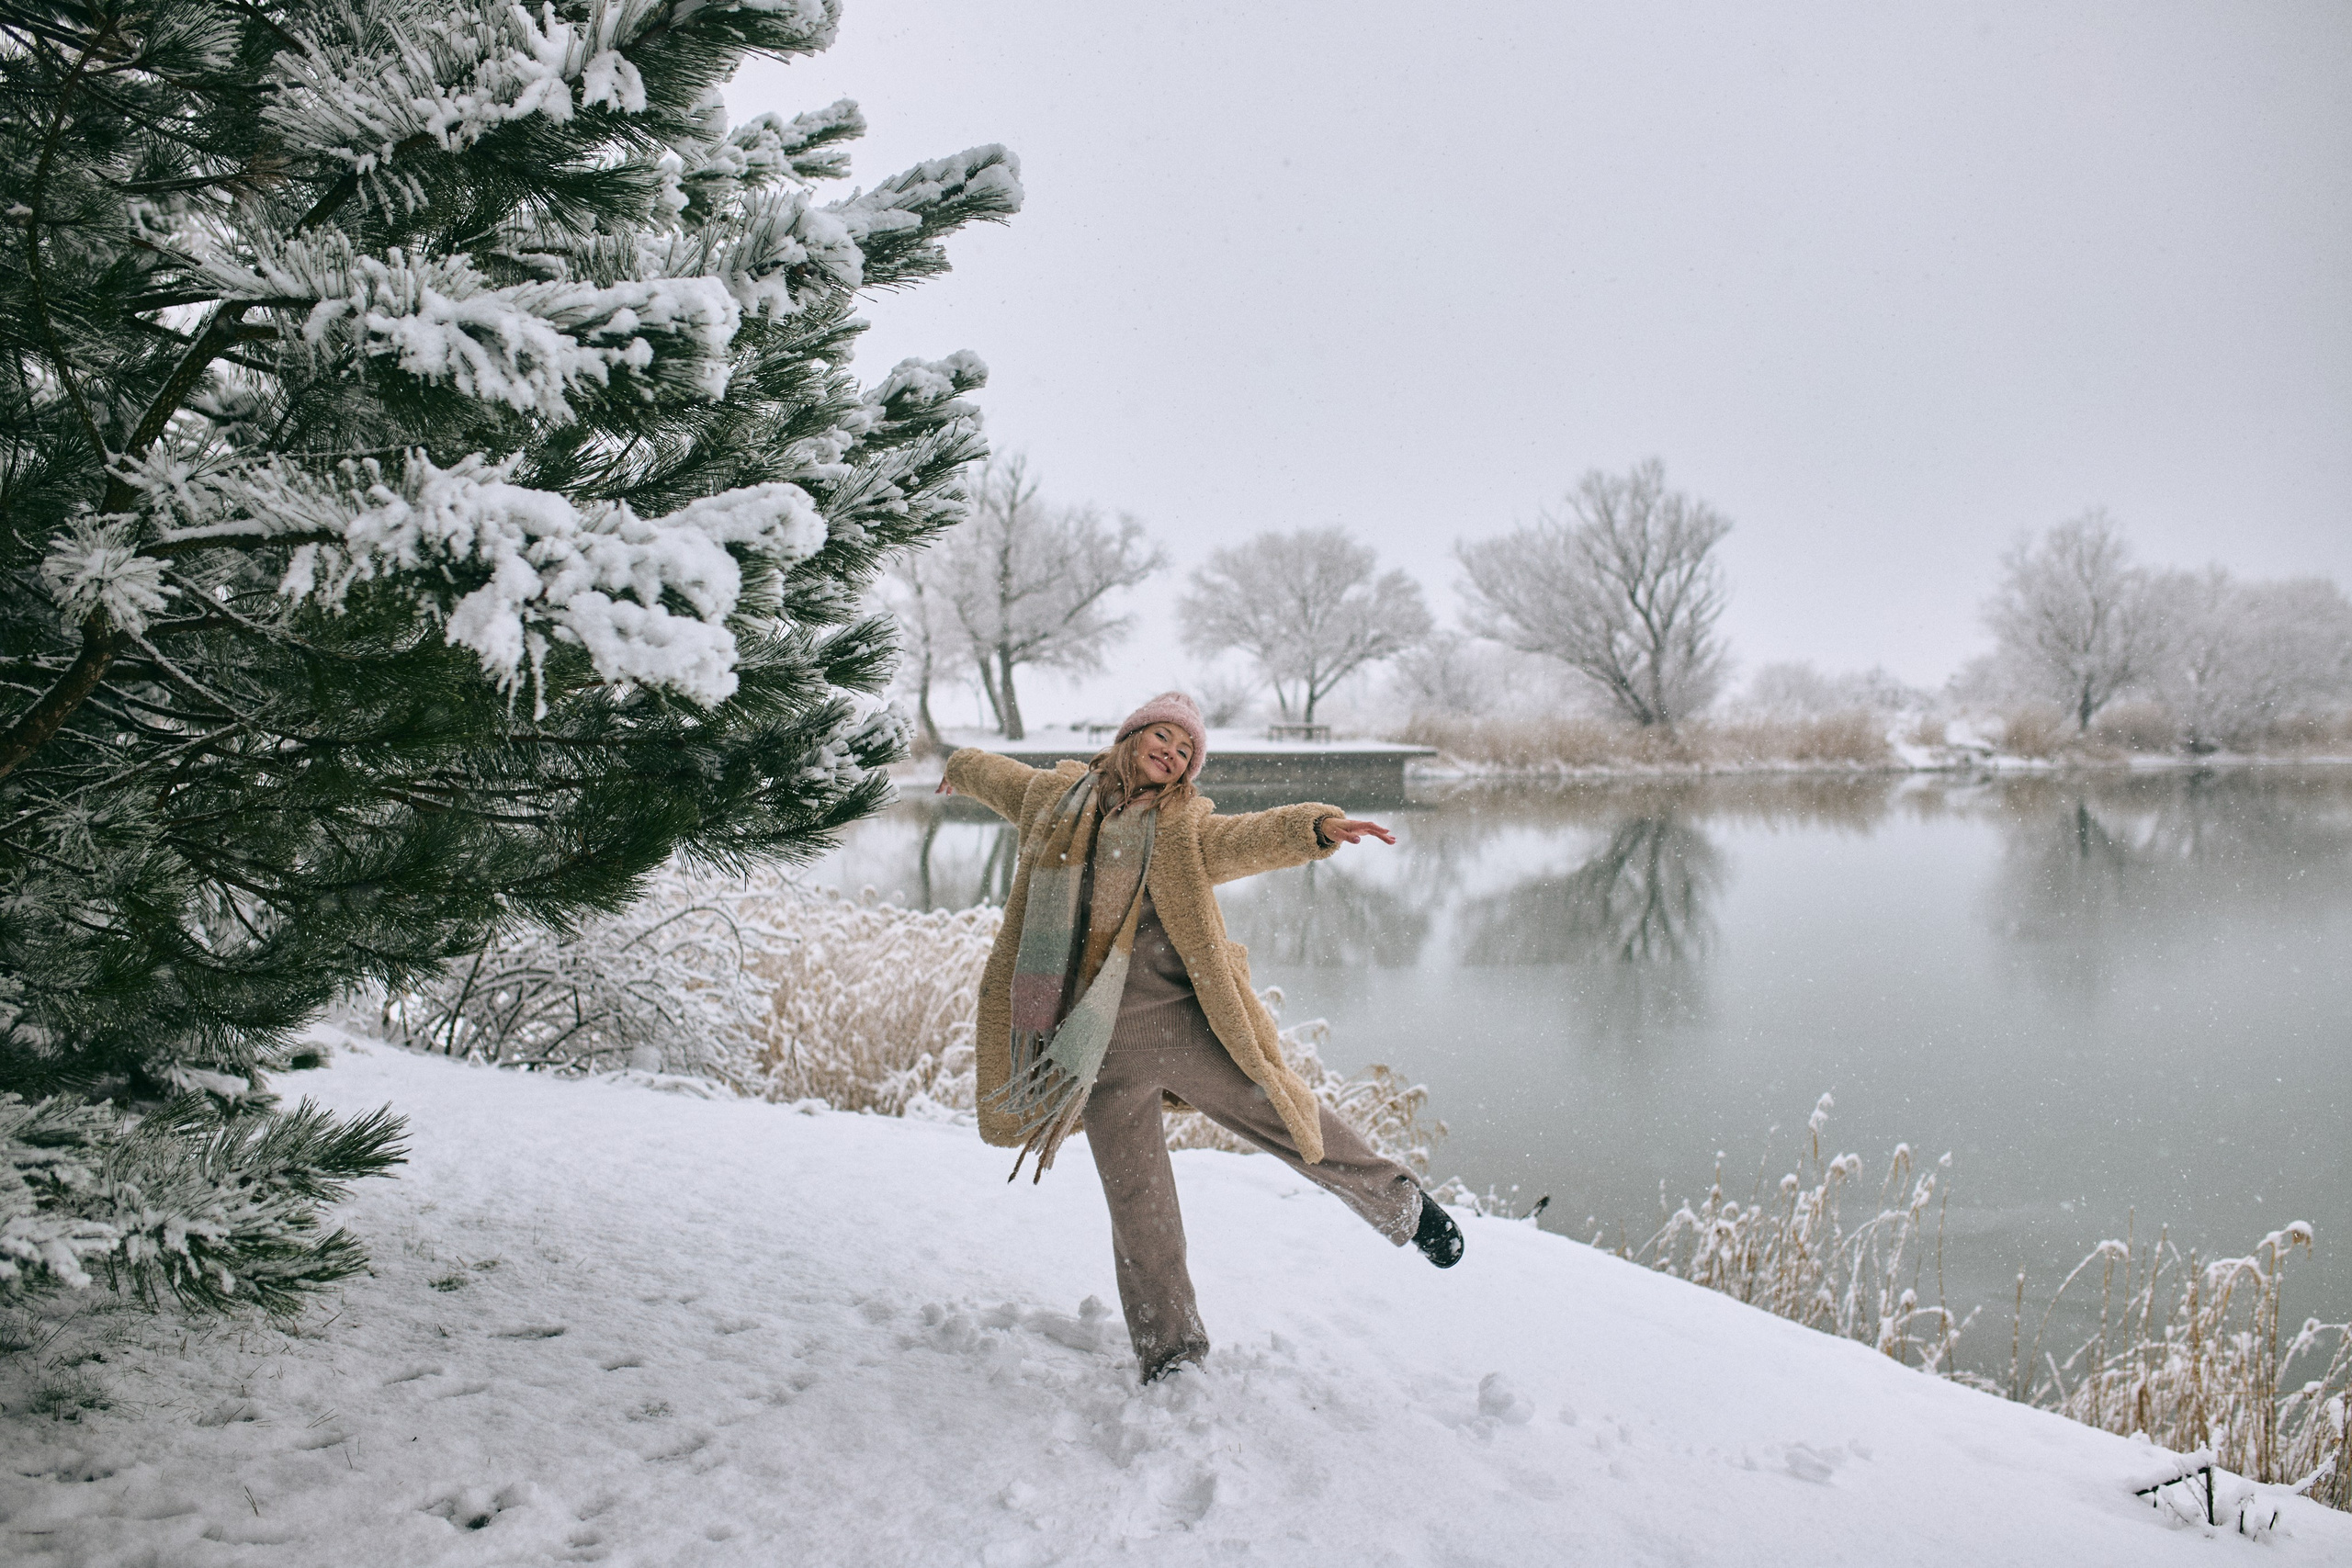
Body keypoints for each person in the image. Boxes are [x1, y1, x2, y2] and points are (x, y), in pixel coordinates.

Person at [938, 692, 1464, 1383]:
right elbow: (997, 776)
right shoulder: (1056, 799)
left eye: (1186, 751)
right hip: (1088, 1048)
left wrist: (1317, 827)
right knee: (1138, 1206)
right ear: (1132, 735)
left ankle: (1402, 1203)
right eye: (1164, 736)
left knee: (1288, 1116)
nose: (1173, 753)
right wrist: (959, 766)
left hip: (1183, 1024)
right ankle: (1171, 1351)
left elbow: (1246, 837)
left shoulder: (1184, 827)